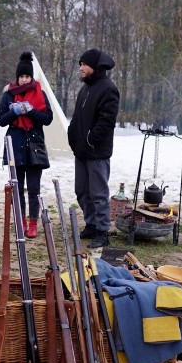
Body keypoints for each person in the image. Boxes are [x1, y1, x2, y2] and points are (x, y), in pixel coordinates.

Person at [0, 52, 53, 239]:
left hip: (34, 145)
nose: (24, 79)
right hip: (16, 144)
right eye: (21, 76)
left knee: (34, 188)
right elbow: (2, 121)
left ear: (31, 77)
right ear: (17, 77)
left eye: (27, 76)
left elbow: (47, 119)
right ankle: (21, 221)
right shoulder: (9, 95)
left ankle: (34, 223)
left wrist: (31, 111)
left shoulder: (41, 94)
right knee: (17, 187)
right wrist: (14, 112)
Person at [67, 48, 119, 249]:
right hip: (81, 151)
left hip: (96, 152)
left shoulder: (108, 88)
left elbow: (107, 121)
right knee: (81, 191)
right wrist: (73, 137)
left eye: (84, 64)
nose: (81, 68)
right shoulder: (85, 88)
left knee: (98, 194)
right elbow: (77, 118)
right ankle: (91, 224)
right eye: (80, 64)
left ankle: (102, 231)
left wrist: (90, 139)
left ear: (95, 67)